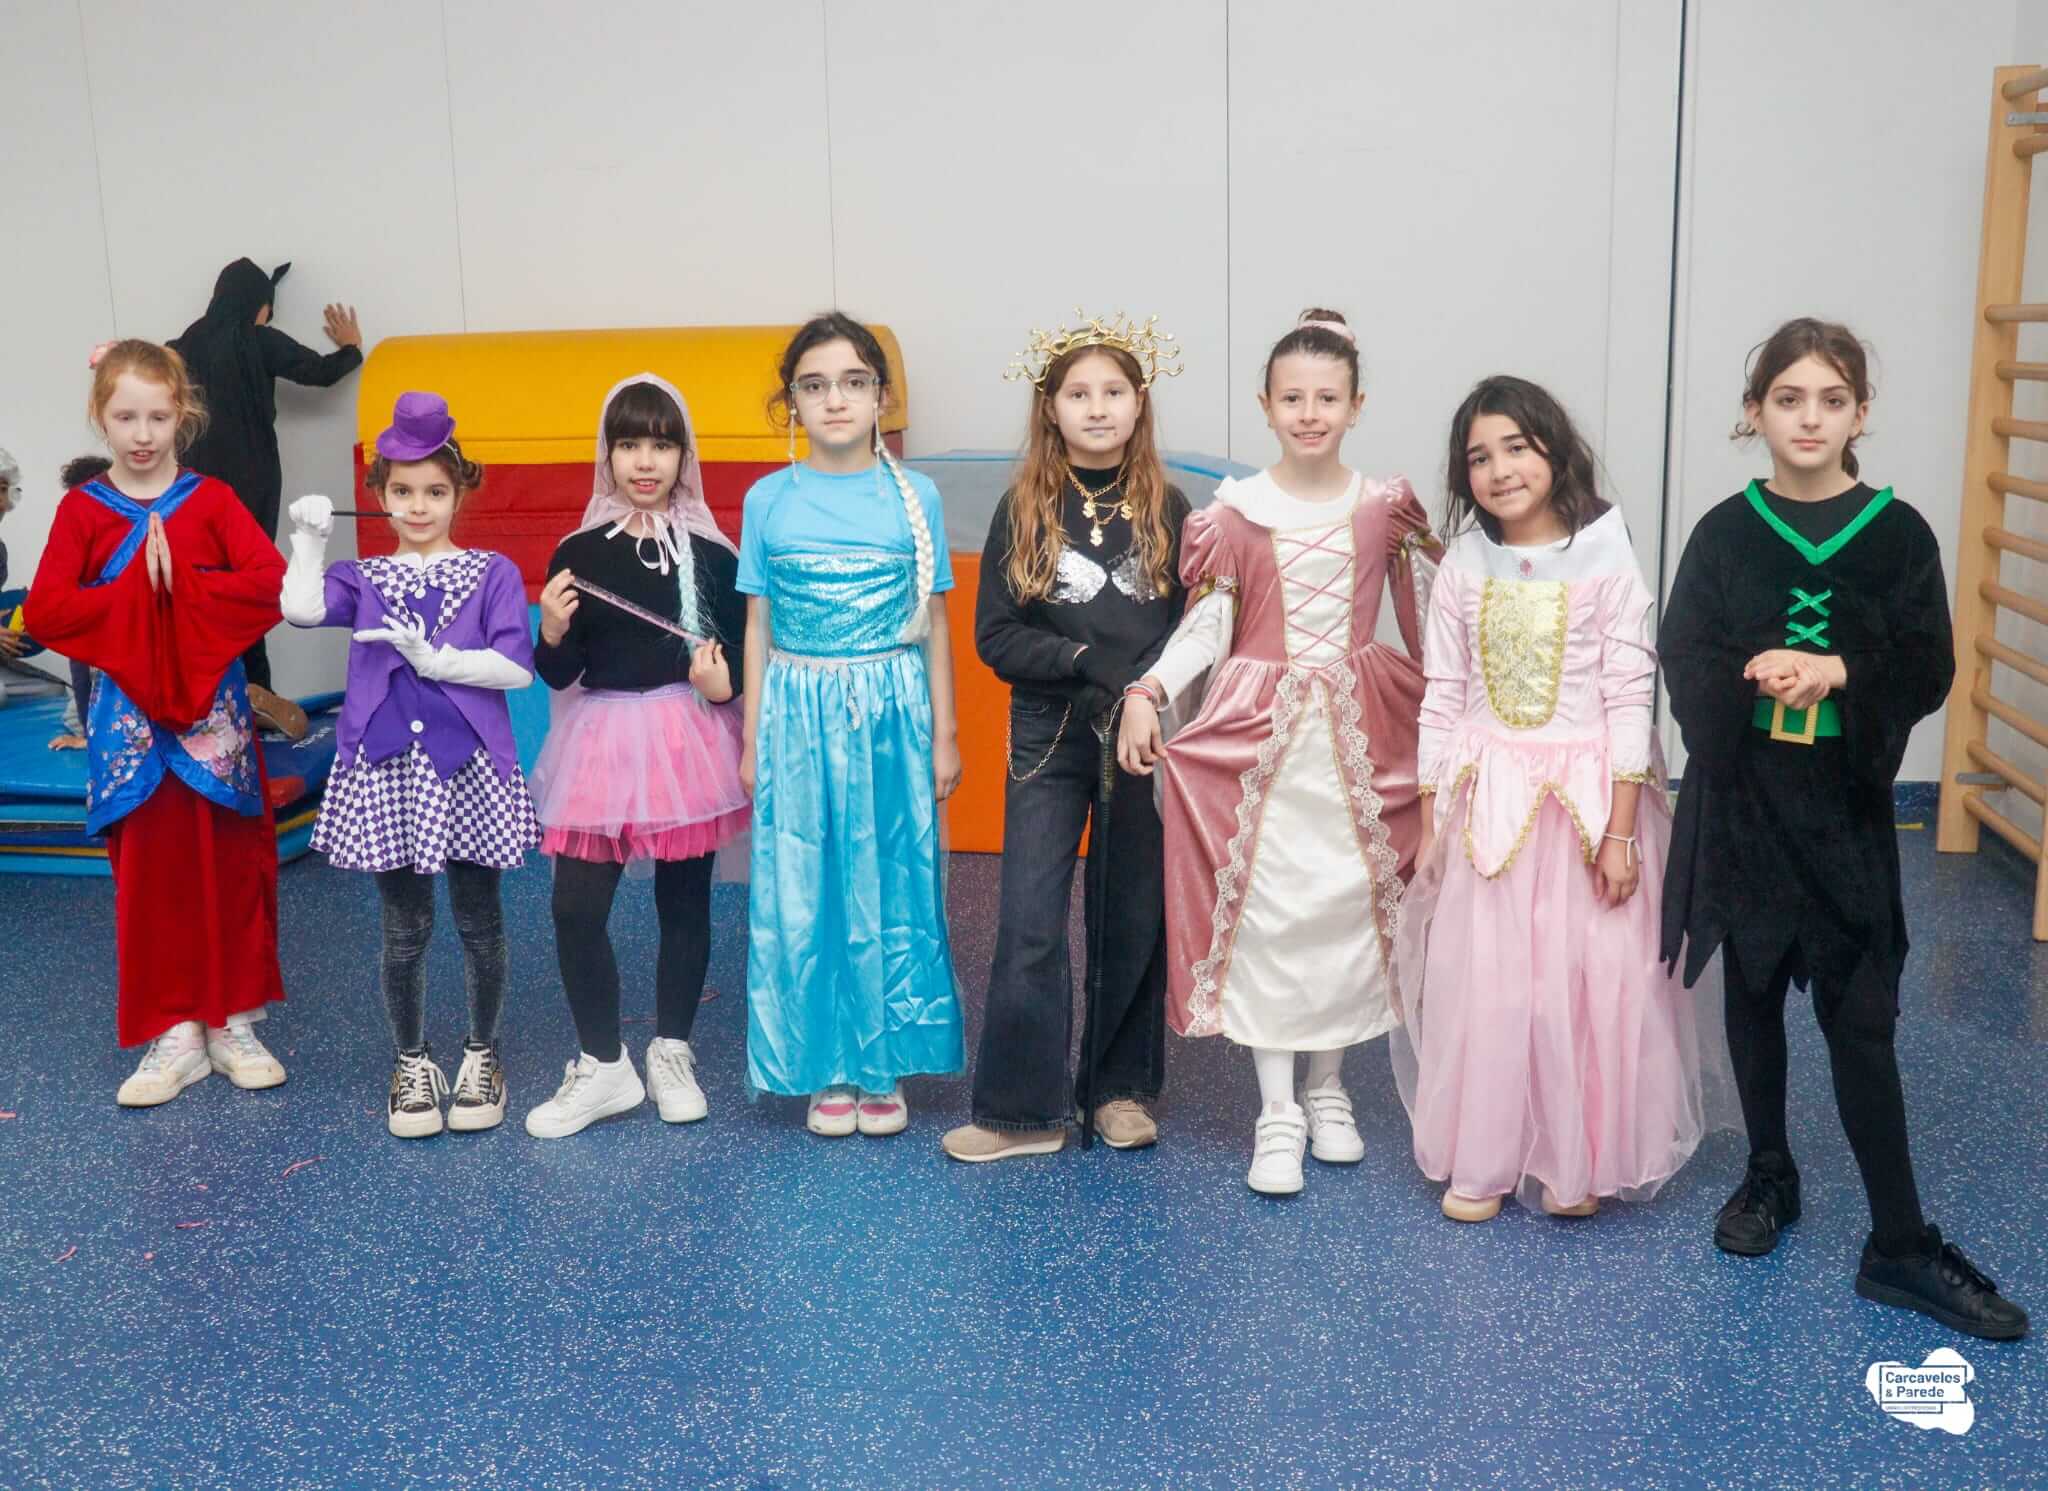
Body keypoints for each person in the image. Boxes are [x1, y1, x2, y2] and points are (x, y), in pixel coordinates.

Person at [1661, 317, 2028, 1340]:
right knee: (1750, 993)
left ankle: (1898, 1242)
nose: (1809, 418)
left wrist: (1835, 672)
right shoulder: (1722, 534)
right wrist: (1749, 676)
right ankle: (1768, 1171)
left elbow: (1926, 663)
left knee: (1859, 1015)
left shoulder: (1897, 534)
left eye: (1830, 399)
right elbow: (1684, 652)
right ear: (1754, 413)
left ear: (1860, 412)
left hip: (1843, 812)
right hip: (1744, 806)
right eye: (1787, 398)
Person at [1119, 309, 1436, 1195]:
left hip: (1360, 732)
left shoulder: (1381, 509)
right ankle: (1277, 1108)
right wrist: (1149, 688)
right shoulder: (1235, 515)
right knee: (1268, 914)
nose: (1309, 413)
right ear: (1265, 405)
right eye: (1292, 398)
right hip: (1261, 736)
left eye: (1327, 398)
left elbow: (1426, 612)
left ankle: (1329, 1088)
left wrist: (1466, 706)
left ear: (1356, 404)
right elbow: (1210, 623)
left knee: (1347, 908)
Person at [1391, 375, 1711, 1223]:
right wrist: (1429, 819)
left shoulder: (1605, 555)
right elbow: (1443, 692)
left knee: (1584, 979)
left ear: (1555, 450)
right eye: (1479, 458)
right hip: (1488, 799)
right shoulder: (1464, 564)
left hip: (1586, 803)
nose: (1500, 470)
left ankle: (1577, 1156)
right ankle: (1485, 1153)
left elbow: (1628, 697)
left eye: (1517, 448)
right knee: (1490, 981)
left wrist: (1621, 832)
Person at [943, 313, 1190, 1162]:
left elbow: (1191, 629)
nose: (1097, 407)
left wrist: (1144, 692)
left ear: (1139, 402)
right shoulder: (1025, 508)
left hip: (1141, 728)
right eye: (1078, 394)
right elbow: (997, 636)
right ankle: (1022, 1111)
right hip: (1049, 733)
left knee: (1131, 912)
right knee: (1030, 919)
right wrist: (1081, 660)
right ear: (1050, 408)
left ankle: (1116, 1090)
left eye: (1113, 391)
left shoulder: (1169, 507)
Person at [27, 340, 288, 1107]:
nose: (142, 434)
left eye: (158, 417)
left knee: (230, 868)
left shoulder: (212, 500)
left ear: (183, 414)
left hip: (214, 724)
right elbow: (46, 611)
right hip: (132, 730)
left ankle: (233, 1020)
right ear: (100, 417)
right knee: (151, 877)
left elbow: (269, 583)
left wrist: (190, 588)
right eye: (125, 417)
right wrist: (136, 594)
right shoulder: (84, 510)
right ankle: (174, 1029)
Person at [282, 393, 540, 1137]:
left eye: (434, 491)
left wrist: (442, 660)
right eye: (402, 491)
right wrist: (308, 542)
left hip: (471, 769)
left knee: (480, 922)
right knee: (403, 928)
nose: (418, 506)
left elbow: (517, 669)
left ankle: (482, 1053)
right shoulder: (362, 576)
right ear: (380, 494)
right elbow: (301, 610)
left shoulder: (491, 572)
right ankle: (411, 1060)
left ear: (460, 493)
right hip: (387, 770)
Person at [738, 313, 964, 1136]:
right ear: (792, 402)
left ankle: (882, 1062)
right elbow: (757, 626)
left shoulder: (915, 496)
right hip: (798, 712)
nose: (835, 399)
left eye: (853, 382)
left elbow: (935, 622)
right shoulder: (768, 499)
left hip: (891, 712)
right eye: (815, 384)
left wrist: (946, 734)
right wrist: (751, 739)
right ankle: (824, 1062)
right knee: (807, 888)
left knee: (893, 883)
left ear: (880, 397)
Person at [524, 376, 751, 1139]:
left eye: (660, 444)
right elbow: (561, 673)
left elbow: (740, 659)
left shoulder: (712, 555)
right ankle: (604, 1064)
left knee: (684, 902)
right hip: (602, 742)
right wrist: (551, 634)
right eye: (628, 444)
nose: (645, 461)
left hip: (688, 741)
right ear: (608, 454)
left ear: (684, 455)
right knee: (574, 906)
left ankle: (672, 1049)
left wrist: (723, 685)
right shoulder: (578, 550)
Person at [168, 256, 363, 708]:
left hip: (191, 490)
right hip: (251, 485)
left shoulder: (177, 349)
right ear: (259, 306)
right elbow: (321, 373)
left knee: (203, 587)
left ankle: (208, 694)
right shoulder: (258, 340)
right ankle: (257, 692)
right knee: (248, 584)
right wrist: (351, 348)